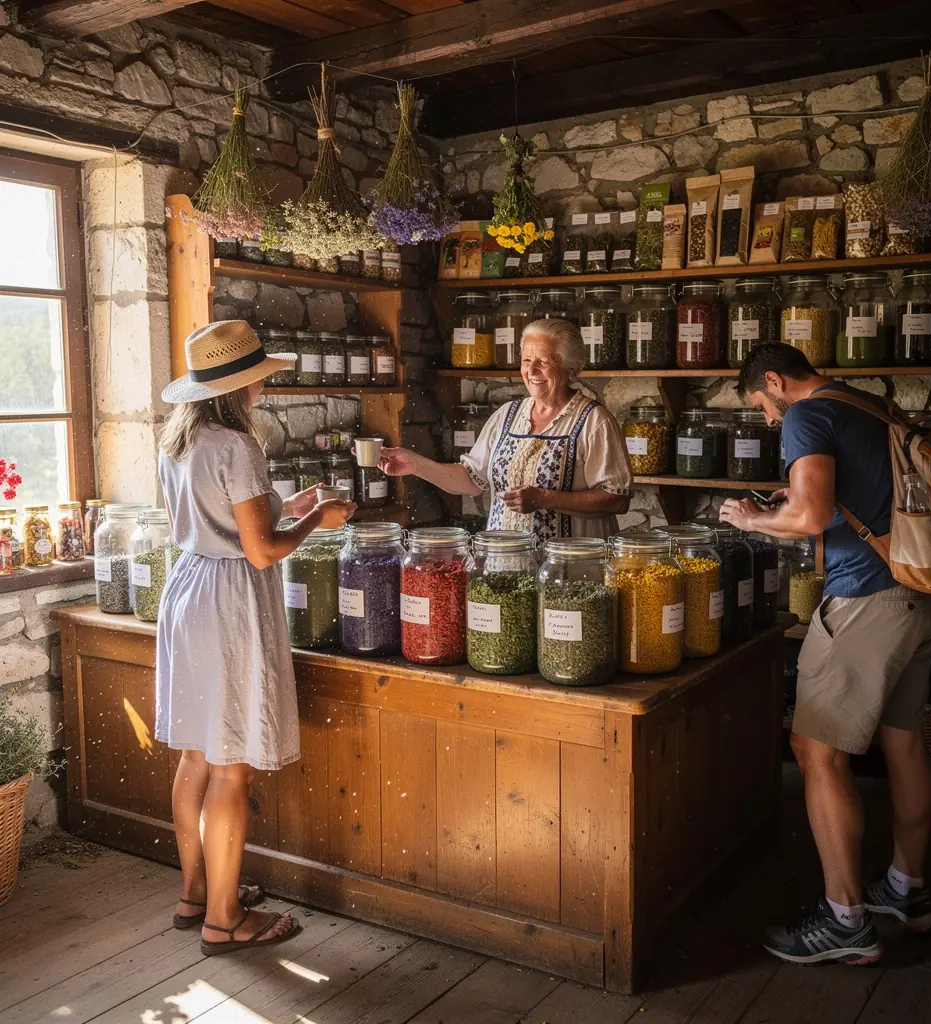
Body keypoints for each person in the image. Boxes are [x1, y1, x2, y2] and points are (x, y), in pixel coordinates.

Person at [719, 342, 931, 966]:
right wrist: (787, 509)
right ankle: (907, 890)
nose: (770, 422)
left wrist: (749, 520)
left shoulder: (806, 414)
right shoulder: (871, 405)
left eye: (764, 408)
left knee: (815, 752)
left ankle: (846, 920)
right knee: (903, 740)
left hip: (869, 600)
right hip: (923, 593)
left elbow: (812, 514)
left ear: (774, 381)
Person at [157, 320, 356, 956]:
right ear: (240, 385)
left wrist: (295, 504)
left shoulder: (178, 441)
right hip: (229, 604)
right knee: (232, 768)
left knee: (194, 755)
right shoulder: (239, 446)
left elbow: (227, 518)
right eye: (260, 375)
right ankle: (224, 919)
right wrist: (317, 524)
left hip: (187, 590)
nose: (265, 384)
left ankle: (196, 894)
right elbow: (262, 551)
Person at [380, 319, 633, 540]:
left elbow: (616, 499)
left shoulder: (594, 420)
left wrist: (546, 498)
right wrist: (415, 464)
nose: (531, 371)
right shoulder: (508, 415)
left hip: (570, 571)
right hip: (508, 564)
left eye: (544, 361)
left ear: (572, 368)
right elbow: (471, 480)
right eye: (526, 360)